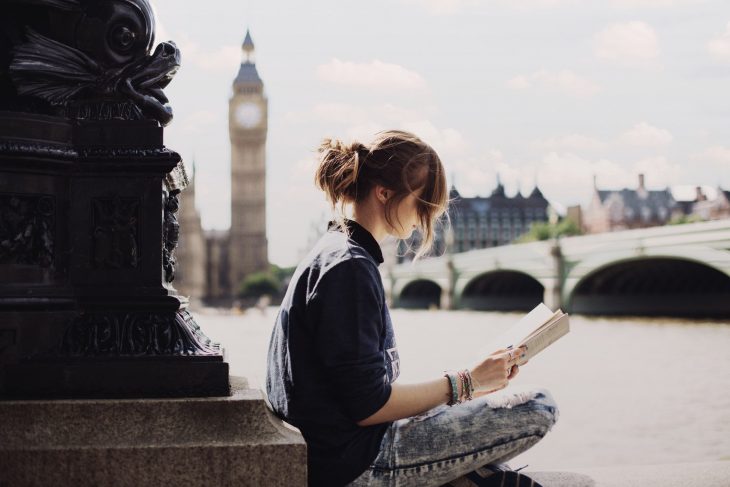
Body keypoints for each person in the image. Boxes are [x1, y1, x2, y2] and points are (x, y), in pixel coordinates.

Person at [266, 130, 559, 487]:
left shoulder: (337, 253)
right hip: (353, 463)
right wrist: (465, 382)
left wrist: (474, 385)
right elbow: (368, 407)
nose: (425, 218)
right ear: (384, 193)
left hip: (337, 450)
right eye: (422, 203)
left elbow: (360, 395)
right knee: (538, 405)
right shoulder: (349, 268)